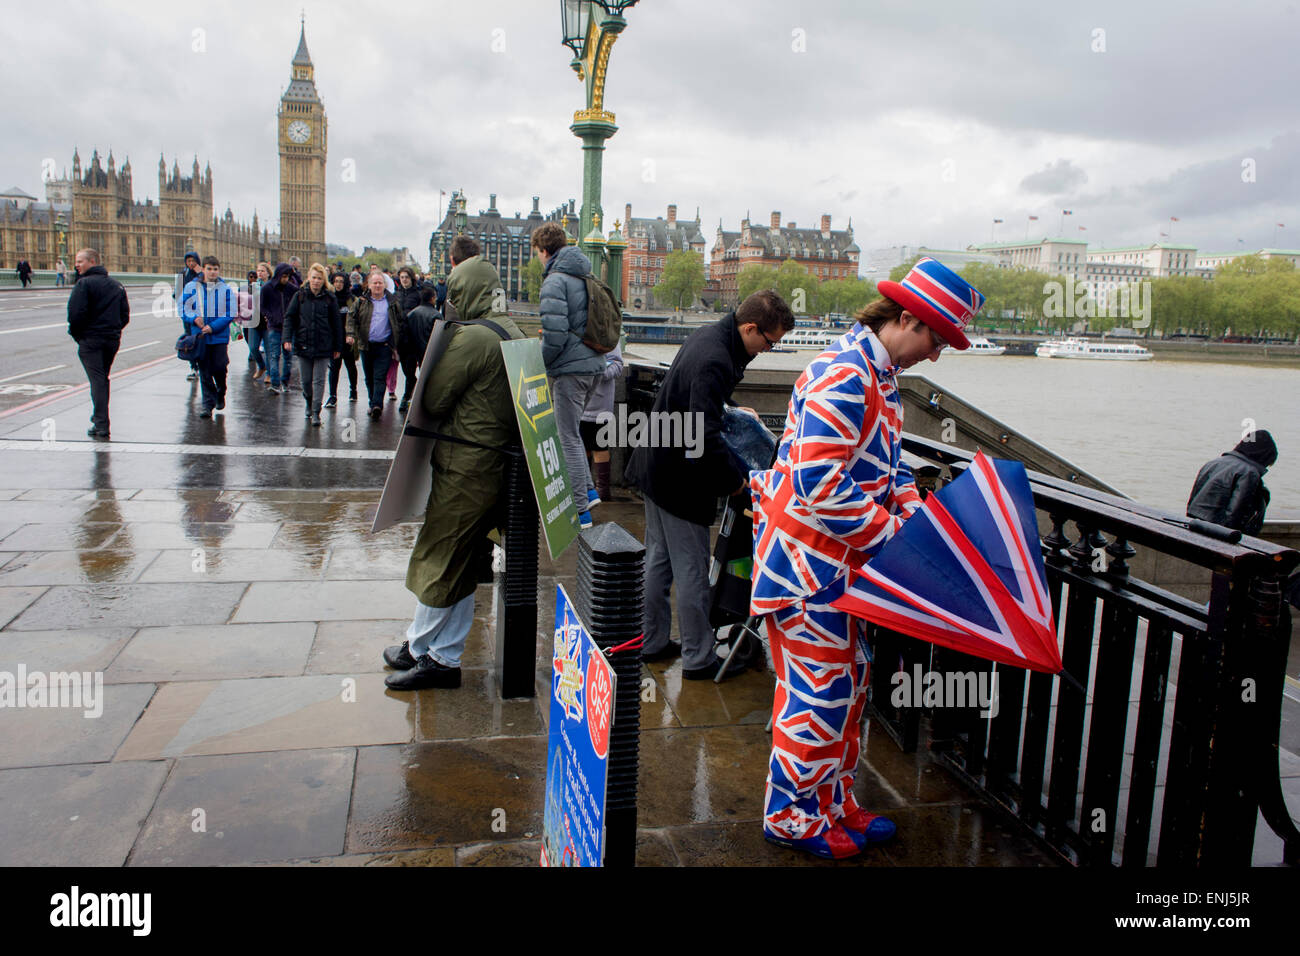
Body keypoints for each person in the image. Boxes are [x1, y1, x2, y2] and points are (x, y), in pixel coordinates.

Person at [750, 257, 985, 860]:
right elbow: (819, 483)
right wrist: (896, 541)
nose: (936, 355)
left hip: (838, 570)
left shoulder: (875, 376)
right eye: (936, 338)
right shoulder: (847, 376)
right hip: (806, 574)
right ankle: (791, 816)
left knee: (848, 692)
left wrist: (911, 515)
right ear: (907, 317)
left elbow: (889, 466)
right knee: (818, 698)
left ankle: (832, 803)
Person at [625, 290, 795, 681]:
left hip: (656, 464)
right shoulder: (717, 358)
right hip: (679, 479)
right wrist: (736, 484)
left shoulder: (710, 337)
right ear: (750, 328)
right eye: (769, 342)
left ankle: (651, 642)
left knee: (658, 560)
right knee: (692, 570)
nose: (768, 350)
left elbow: (699, 402)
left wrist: (732, 407)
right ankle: (699, 658)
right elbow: (704, 435)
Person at [383, 248, 525, 690]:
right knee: (463, 558)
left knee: (440, 554)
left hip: (467, 466)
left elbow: (434, 399)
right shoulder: (515, 330)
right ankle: (442, 657)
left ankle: (420, 648)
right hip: (499, 466)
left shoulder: (475, 337)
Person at [534, 222, 606, 529]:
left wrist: (541, 363)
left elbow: (555, 336)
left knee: (567, 438)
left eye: (537, 252)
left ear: (544, 250)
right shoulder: (585, 275)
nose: (537, 258)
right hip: (594, 365)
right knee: (573, 433)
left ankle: (580, 511)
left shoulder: (555, 281)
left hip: (570, 371)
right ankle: (588, 491)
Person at [66, 248, 129, 440]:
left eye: (80, 261)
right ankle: (98, 420)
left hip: (91, 341)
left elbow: (75, 315)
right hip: (111, 340)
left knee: (98, 380)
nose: (76, 265)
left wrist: (79, 337)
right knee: (102, 379)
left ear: (92, 261)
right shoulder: (116, 285)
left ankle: (101, 424)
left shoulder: (83, 284)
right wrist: (114, 331)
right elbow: (124, 315)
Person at [283, 263, 343, 426]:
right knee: (306, 382)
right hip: (303, 344)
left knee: (319, 381)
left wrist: (338, 347)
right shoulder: (300, 296)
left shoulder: (330, 298)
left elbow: (337, 324)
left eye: (319, 278)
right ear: (309, 278)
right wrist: (287, 338)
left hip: (323, 345)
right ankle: (309, 402)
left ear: (324, 280)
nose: (316, 281)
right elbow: (289, 317)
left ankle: (316, 411)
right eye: (314, 278)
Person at [180, 255, 239, 419]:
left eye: (215, 269)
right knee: (205, 370)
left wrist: (212, 327)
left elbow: (230, 312)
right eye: (209, 268)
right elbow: (183, 308)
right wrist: (193, 318)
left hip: (219, 336)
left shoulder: (225, 288)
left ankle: (221, 391)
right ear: (203, 269)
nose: (212, 272)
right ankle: (207, 405)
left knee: (220, 367)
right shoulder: (192, 287)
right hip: (200, 336)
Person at [1186, 430, 1277, 535]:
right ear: (1263, 458)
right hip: (1218, 534)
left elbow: (1193, 500)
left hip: (1196, 528)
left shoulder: (1214, 462)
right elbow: (1235, 514)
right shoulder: (1249, 473)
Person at [347, 270, 405, 419]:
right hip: (366, 345)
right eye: (375, 283)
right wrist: (351, 335)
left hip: (384, 346)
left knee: (380, 377)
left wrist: (397, 341)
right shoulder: (362, 301)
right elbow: (351, 318)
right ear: (369, 285)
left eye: (380, 283)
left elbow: (400, 321)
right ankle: (373, 402)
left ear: (384, 285)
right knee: (369, 377)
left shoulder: (392, 302)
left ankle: (376, 405)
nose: (378, 285)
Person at [580, 342, 624, 503]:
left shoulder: (609, 335)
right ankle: (583, 488)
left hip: (599, 404)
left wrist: (599, 371)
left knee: (599, 446)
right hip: (578, 402)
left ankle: (602, 489)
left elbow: (618, 365)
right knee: (581, 447)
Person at [259, 263, 298, 393]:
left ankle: (285, 382)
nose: (285, 279)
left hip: (289, 328)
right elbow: (262, 307)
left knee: (288, 356)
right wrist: (271, 318)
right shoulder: (267, 288)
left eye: (288, 276)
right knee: (274, 355)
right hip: (274, 327)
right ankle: (275, 384)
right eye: (284, 276)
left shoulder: (292, 289)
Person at [395, 267, 424, 414]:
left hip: (413, 338)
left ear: (411, 278)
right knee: (406, 370)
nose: (404, 280)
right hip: (401, 338)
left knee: (411, 368)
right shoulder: (396, 295)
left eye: (406, 277)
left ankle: (406, 397)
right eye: (402, 277)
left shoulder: (418, 295)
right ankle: (411, 389)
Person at [327, 272, 359, 406]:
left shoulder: (352, 300)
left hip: (348, 338)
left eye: (341, 281)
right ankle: (332, 396)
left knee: (350, 366)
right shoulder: (329, 298)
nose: (338, 284)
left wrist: (352, 335)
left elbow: (357, 319)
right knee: (334, 367)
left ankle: (353, 390)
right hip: (334, 338)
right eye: (336, 281)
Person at [177, 252, 203, 380]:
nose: (191, 264)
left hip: (202, 314)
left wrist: (200, 271)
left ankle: (203, 366)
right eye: (188, 261)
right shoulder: (183, 275)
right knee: (190, 340)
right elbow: (177, 294)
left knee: (202, 339)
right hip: (189, 315)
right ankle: (193, 368)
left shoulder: (202, 274)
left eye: (193, 261)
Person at [405, 282, 442, 362]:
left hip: (415, 351)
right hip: (430, 351)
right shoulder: (436, 315)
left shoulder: (412, 313)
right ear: (432, 298)